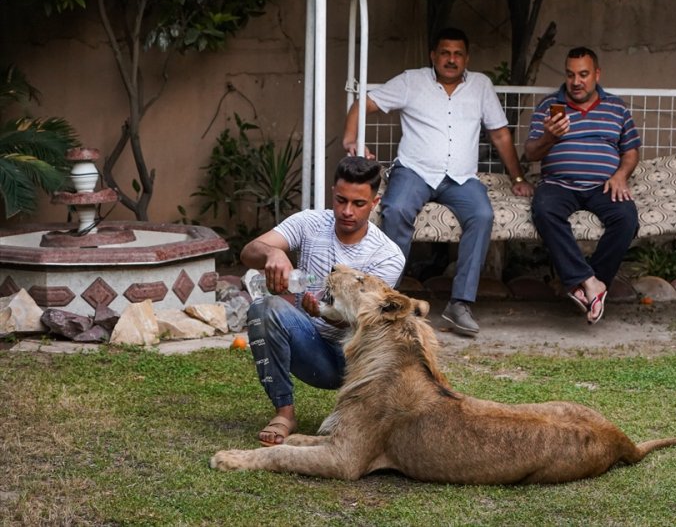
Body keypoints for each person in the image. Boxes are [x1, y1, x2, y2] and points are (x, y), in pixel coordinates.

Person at [342, 27, 532, 337]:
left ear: (466, 58)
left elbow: (499, 133)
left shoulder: (481, 85)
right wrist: (351, 139)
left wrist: (519, 177)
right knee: (398, 209)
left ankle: (460, 305)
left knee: (482, 215)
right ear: (434, 55)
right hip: (414, 171)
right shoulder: (412, 81)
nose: (451, 59)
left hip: (460, 179)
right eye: (445, 53)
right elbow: (365, 103)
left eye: (458, 54)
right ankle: (387, 300)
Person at [240, 156, 405, 446]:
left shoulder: (388, 255)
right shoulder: (309, 222)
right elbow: (248, 252)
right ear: (333, 193)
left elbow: (367, 319)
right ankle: (284, 412)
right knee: (263, 307)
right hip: (309, 345)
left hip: (353, 361)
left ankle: (364, 417)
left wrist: (327, 313)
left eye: (358, 204)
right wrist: (272, 254)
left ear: (375, 203)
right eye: (341, 200)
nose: (347, 211)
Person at [523, 46, 641, 325]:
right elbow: (530, 153)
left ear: (596, 74)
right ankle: (590, 282)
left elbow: (632, 151)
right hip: (558, 184)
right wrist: (549, 138)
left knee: (626, 218)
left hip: (604, 184)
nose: (576, 81)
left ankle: (588, 285)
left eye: (584, 74)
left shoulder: (616, 107)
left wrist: (621, 174)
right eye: (570, 74)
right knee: (544, 210)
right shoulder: (548, 106)